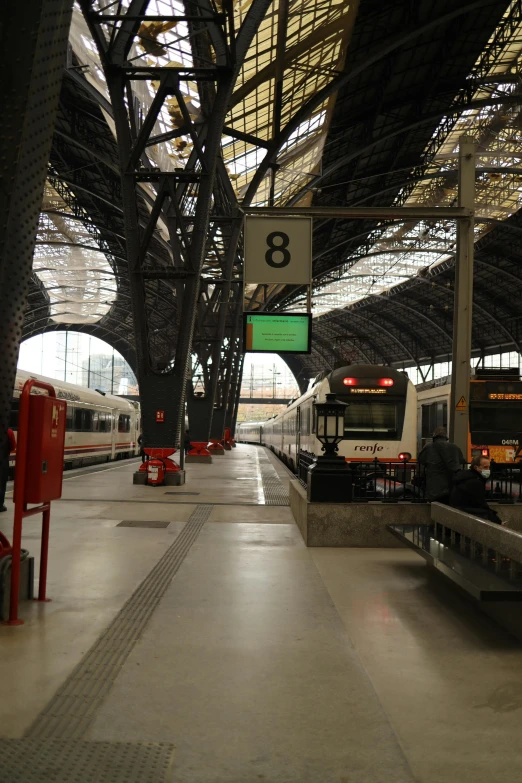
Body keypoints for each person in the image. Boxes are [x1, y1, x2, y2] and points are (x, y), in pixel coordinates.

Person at [449, 455, 503, 525]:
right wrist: (498, 521)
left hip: (458, 509)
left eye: (489, 467)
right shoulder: (475, 482)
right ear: (476, 467)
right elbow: (481, 504)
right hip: (463, 512)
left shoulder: (467, 476)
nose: (488, 470)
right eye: (485, 467)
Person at [417, 427, 465, 503]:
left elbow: (421, 459)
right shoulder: (454, 447)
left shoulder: (428, 447)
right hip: (451, 481)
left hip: (433, 482)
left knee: (434, 503)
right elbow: (462, 460)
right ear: (445, 436)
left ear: (434, 436)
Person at [0, 428, 16, 512]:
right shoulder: (8, 431)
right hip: (3, 460)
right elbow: (13, 446)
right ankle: (0, 505)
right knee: (2, 483)